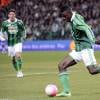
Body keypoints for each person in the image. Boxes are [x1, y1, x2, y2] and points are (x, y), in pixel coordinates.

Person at [56, 5, 100, 97]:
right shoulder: (75, 17)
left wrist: (93, 40)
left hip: (85, 48)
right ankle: (66, 92)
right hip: (78, 49)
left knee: (92, 70)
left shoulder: (76, 21)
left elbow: (87, 28)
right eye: (62, 16)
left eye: (64, 16)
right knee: (61, 65)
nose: (64, 18)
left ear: (69, 12)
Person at [1, 9, 26, 78]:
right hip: (10, 43)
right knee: (12, 59)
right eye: (10, 14)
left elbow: (23, 30)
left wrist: (24, 37)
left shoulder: (19, 22)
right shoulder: (5, 23)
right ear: (8, 15)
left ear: (15, 15)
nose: (12, 15)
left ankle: (20, 71)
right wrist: (3, 38)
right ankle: (17, 71)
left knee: (18, 55)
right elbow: (2, 33)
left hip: (18, 41)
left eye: (13, 14)